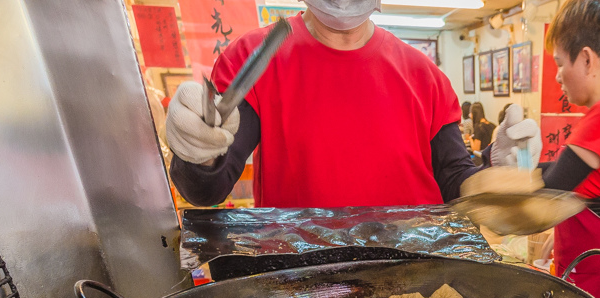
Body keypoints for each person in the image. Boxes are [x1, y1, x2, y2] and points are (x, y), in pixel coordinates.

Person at [165, 2, 477, 208]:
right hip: (298, 287)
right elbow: (209, 189)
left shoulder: (425, 75)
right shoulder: (254, 58)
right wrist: (196, 149)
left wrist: (499, 179)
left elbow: (453, 178)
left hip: (415, 284)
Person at [470, 0, 600, 298]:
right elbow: (563, 175)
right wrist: (512, 165)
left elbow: (552, 187)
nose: (558, 75)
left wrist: (490, 180)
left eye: (560, 63)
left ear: (587, 59)